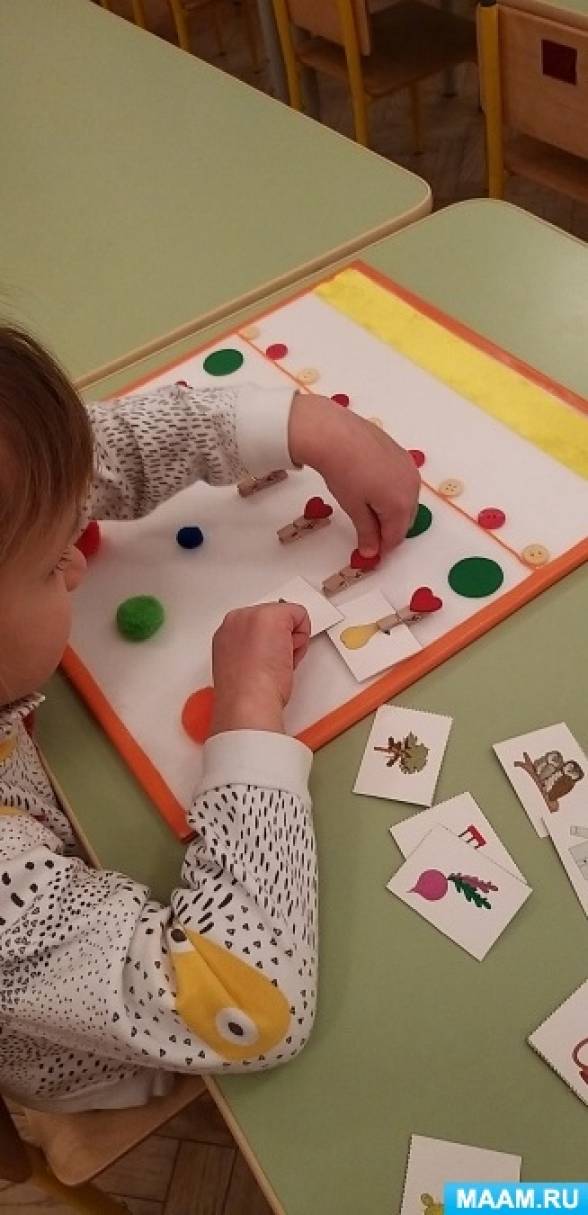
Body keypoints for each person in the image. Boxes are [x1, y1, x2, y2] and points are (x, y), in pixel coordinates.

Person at [0, 326, 419, 1111]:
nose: (79, 560)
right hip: (100, 1059)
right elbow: (242, 1002)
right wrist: (249, 713)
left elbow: (84, 457)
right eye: (53, 559)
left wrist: (303, 423)